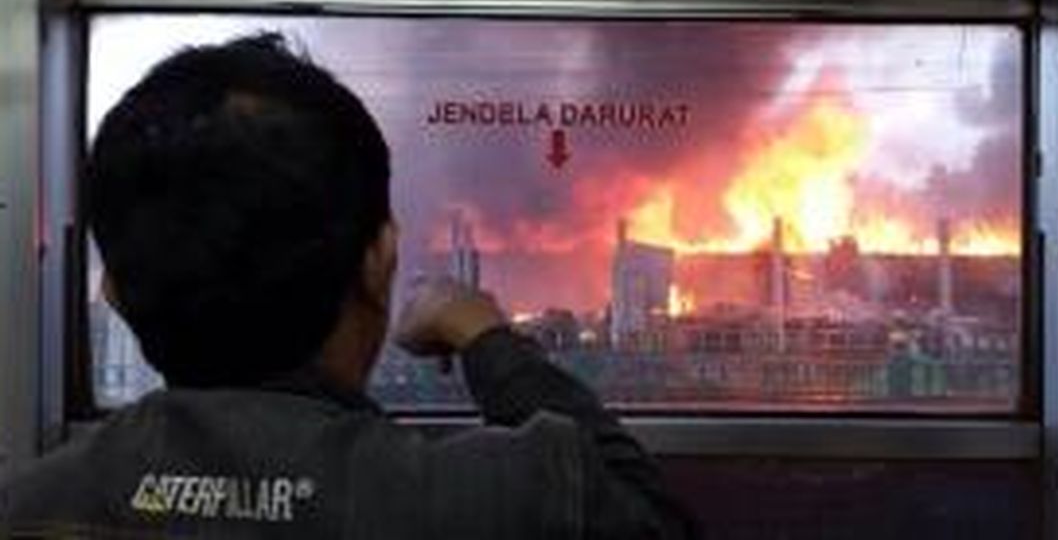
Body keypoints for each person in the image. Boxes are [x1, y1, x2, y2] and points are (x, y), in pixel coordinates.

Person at [0, 34, 695, 539]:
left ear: (113, 291)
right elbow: (648, 517)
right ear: (380, 259)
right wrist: (483, 334)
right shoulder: (507, 500)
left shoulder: (28, 505)